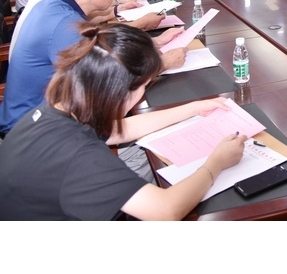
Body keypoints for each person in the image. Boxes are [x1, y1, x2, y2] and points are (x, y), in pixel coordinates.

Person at [0, 23, 246, 220]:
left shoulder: (61, 109)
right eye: (144, 86)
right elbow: (166, 210)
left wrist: (194, 109)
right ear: (120, 92)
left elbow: (119, 131)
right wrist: (216, 163)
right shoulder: (80, 157)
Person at [0, 0, 186, 137]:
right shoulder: (66, 26)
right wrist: (163, 63)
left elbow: (100, 43)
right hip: (35, 132)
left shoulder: (54, 5)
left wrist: (153, 43)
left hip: (37, 116)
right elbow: (111, 82)